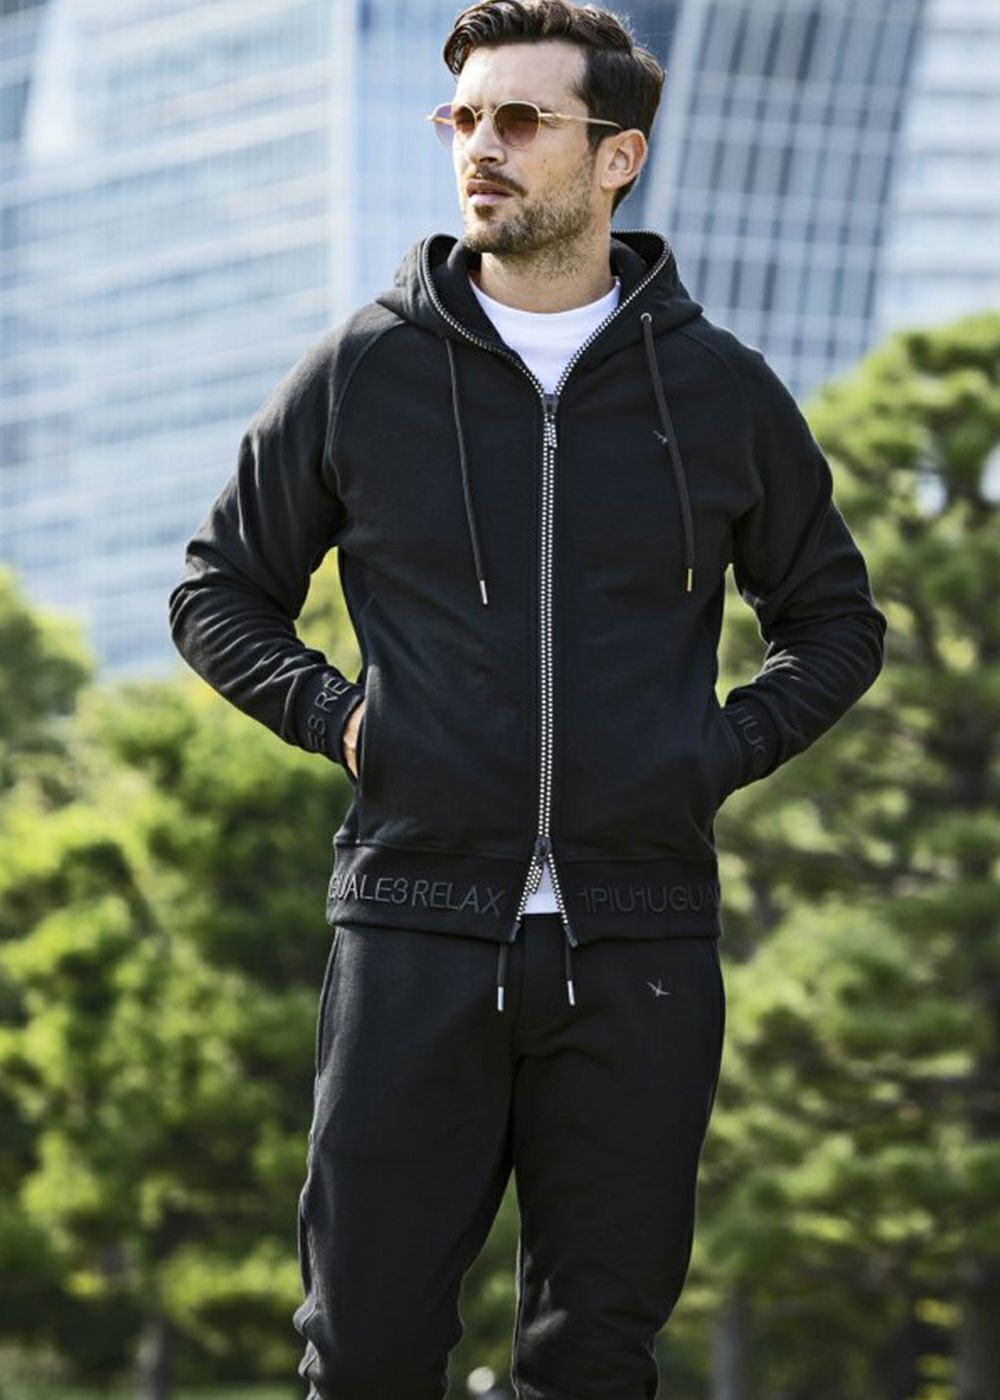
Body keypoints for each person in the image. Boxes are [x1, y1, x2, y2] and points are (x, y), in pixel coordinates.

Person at [167, 1, 887, 1395]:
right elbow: (218, 591)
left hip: (642, 941)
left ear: (617, 158)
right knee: (364, 1352)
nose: (478, 147)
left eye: (519, 119)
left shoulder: (720, 390)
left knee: (596, 1357)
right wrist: (343, 719)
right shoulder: (364, 370)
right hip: (413, 925)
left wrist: (713, 750)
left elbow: (835, 623)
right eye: (463, 117)